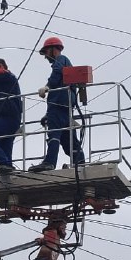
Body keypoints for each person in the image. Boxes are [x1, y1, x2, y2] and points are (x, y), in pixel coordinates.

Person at [29, 37, 85, 172]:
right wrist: (47, 115)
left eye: (46, 52)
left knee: (54, 134)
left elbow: (57, 72)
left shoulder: (61, 59)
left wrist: (47, 86)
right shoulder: (66, 62)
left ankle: (49, 162)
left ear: (54, 49)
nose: (45, 56)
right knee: (69, 140)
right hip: (65, 108)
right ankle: (81, 163)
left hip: (58, 104)